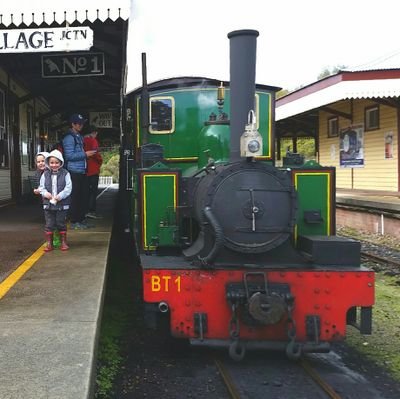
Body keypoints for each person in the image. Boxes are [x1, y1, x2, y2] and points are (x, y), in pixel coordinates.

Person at [63, 113, 97, 229]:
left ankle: (81, 219)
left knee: (83, 196)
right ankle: (74, 221)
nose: (81, 125)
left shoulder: (78, 136)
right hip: (74, 171)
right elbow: (69, 156)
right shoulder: (69, 138)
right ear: (73, 124)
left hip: (82, 170)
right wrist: (85, 154)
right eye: (78, 123)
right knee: (75, 197)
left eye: (82, 123)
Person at [38, 149, 72, 252]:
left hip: (61, 204)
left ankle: (63, 242)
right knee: (49, 223)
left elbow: (68, 188)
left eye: (57, 162)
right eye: (52, 162)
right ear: (48, 163)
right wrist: (45, 194)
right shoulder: (45, 174)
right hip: (48, 204)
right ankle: (49, 243)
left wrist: (60, 196)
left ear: (61, 162)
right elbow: (41, 187)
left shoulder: (66, 173)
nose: (54, 165)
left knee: (60, 222)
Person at [83, 125, 103, 219]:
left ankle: (84, 210)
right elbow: (95, 153)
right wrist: (100, 161)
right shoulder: (93, 140)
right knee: (93, 192)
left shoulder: (81, 140)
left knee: (85, 191)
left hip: (83, 169)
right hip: (93, 169)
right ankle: (91, 211)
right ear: (94, 133)